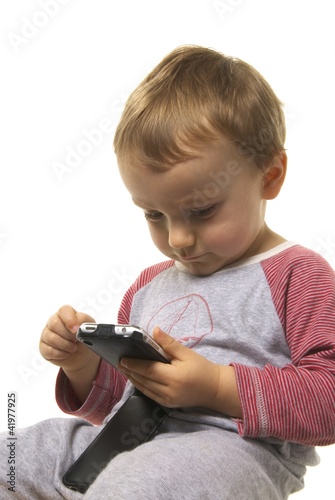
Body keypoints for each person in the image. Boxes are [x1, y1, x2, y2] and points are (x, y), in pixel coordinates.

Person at [1, 45, 335, 499]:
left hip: (229, 452)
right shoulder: (149, 285)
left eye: (201, 209)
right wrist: (82, 366)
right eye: (154, 215)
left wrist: (216, 385)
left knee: (144, 482)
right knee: (20, 452)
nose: (177, 238)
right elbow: (120, 403)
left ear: (270, 175)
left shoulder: (299, 275)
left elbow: (328, 400)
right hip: (123, 446)